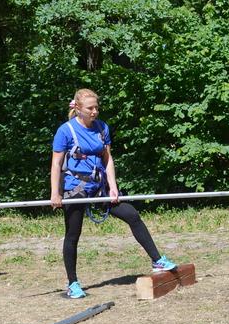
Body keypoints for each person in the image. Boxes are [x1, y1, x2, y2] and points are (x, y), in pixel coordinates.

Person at [50, 89, 176, 299]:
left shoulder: (102, 127)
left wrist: (113, 186)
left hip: (99, 186)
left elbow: (107, 159)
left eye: (96, 107)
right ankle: (73, 284)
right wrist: (56, 193)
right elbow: (56, 164)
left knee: (131, 215)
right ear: (78, 108)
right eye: (90, 108)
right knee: (73, 233)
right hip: (76, 187)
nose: (94, 111)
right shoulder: (65, 131)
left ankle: (157, 260)